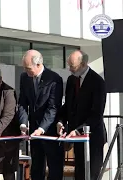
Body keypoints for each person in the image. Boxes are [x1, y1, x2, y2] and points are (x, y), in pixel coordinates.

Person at [57, 50, 107, 180]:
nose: (70, 69)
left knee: (90, 175)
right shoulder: (71, 80)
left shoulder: (97, 82)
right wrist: (61, 121)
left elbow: (96, 114)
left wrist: (78, 131)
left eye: (72, 66)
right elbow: (68, 106)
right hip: (77, 139)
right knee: (79, 174)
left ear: (83, 64)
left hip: (92, 137)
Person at [17, 50, 64, 180]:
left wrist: (41, 128)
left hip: (50, 131)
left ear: (38, 65)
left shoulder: (54, 79)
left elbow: (53, 108)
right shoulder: (24, 78)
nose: (26, 72)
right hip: (33, 131)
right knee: (37, 169)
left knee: (54, 170)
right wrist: (23, 123)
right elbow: (22, 102)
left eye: (28, 68)